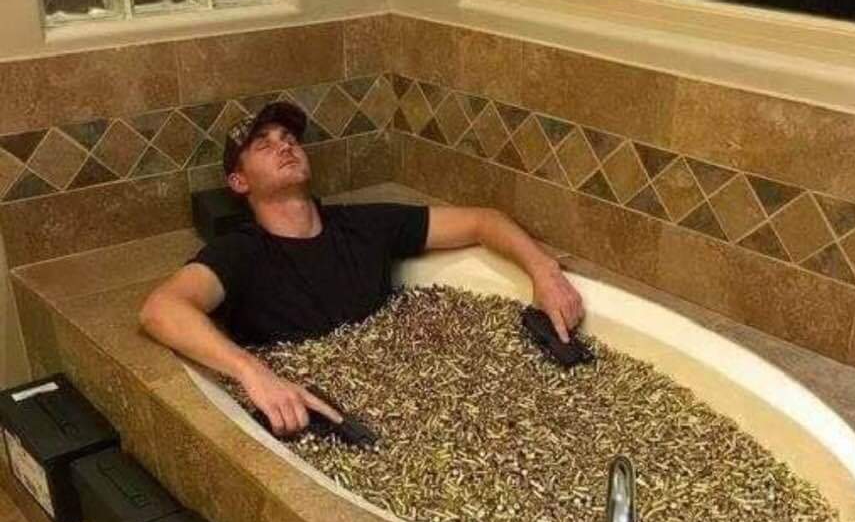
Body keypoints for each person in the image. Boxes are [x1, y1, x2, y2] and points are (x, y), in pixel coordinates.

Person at [139, 101, 585, 436]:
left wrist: (544, 272)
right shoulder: (242, 252)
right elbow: (161, 309)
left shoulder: (363, 226)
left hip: (425, 391)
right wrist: (254, 373)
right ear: (239, 182)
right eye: (264, 145)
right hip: (340, 420)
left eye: (289, 139)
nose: (285, 146)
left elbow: (482, 221)